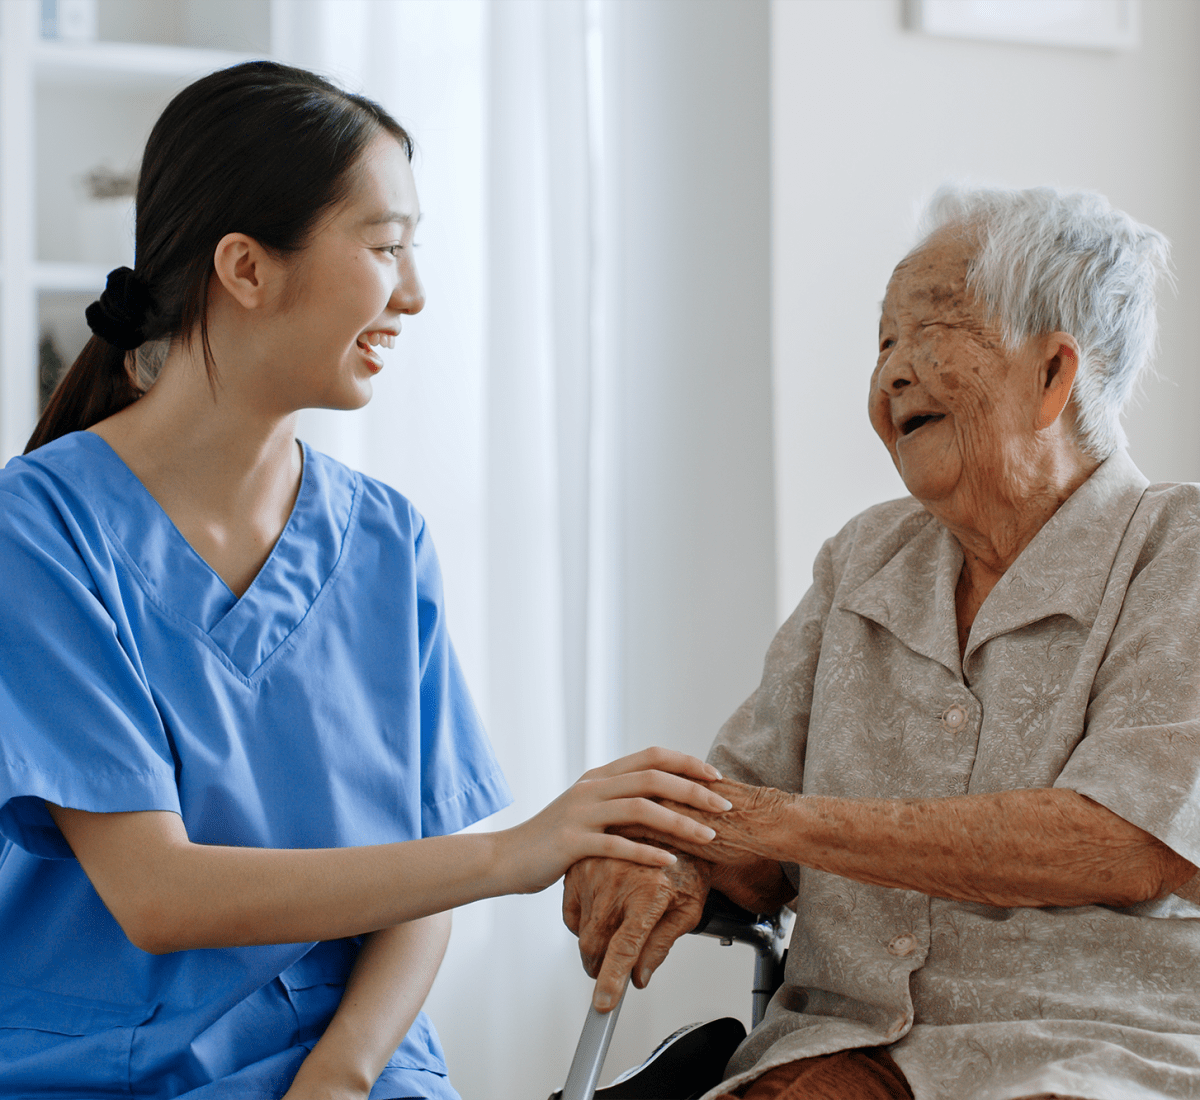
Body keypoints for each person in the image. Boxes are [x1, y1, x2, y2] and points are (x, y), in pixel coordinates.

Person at [0, 61, 732, 1100]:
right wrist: (515, 854)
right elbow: (156, 891)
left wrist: (342, 1071)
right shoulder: (39, 528)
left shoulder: (385, 538)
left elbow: (413, 870)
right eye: (386, 246)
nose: (415, 292)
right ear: (246, 268)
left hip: (356, 1059)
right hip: (111, 1070)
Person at [563, 185, 1200, 1100]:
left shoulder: (1176, 552)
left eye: (929, 332)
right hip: (846, 1050)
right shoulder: (865, 560)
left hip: (1098, 1052)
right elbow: (730, 819)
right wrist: (663, 853)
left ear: (1053, 374)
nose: (892, 373)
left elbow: (1127, 842)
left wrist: (764, 819)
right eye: (882, 343)